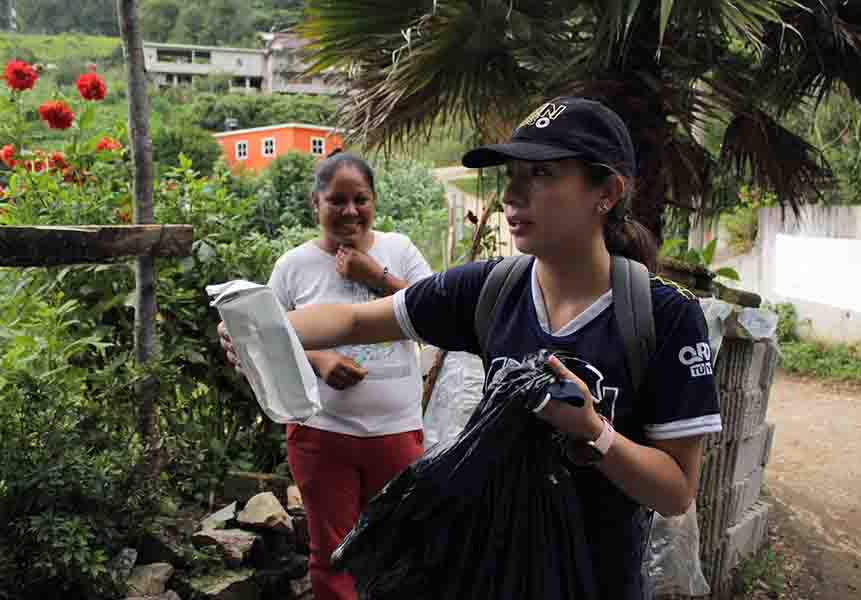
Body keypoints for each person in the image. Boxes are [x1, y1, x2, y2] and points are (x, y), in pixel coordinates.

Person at [222, 97, 722, 599]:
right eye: (513, 173)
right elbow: (354, 318)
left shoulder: (664, 316)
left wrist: (594, 432)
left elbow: (675, 491)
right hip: (488, 572)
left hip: (596, 580)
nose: (513, 193)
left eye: (542, 174)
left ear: (607, 192)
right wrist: (265, 331)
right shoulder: (488, 290)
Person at [264, 151, 433, 600]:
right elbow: (266, 343)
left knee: (397, 547)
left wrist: (374, 274)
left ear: (374, 201)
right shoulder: (292, 266)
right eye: (336, 200)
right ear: (314, 203)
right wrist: (319, 361)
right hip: (320, 434)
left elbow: (437, 314)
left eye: (360, 199)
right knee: (333, 554)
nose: (350, 211)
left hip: (396, 432)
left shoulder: (400, 250)